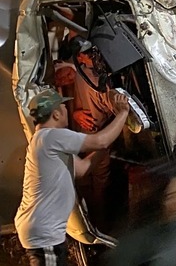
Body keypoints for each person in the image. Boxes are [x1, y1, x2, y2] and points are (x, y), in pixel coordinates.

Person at [14, 88, 130, 266]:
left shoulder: (47, 143)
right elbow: (100, 141)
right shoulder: (49, 137)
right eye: (63, 106)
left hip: (42, 229)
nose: (67, 109)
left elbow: (82, 169)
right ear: (56, 114)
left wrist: (106, 145)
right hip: (43, 230)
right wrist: (123, 113)